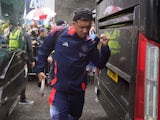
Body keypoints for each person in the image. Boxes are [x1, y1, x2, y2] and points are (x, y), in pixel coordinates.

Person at [36, 8, 110, 120]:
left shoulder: (90, 43)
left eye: (88, 27)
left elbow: (99, 64)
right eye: (82, 27)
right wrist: (39, 70)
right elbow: (43, 51)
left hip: (78, 92)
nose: (85, 31)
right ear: (73, 23)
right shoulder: (58, 33)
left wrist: (105, 48)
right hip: (59, 90)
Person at [18, 24, 35, 104]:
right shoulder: (27, 35)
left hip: (15, 59)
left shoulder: (14, 33)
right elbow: (30, 48)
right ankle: (22, 98)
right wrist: (32, 60)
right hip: (24, 60)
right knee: (24, 78)